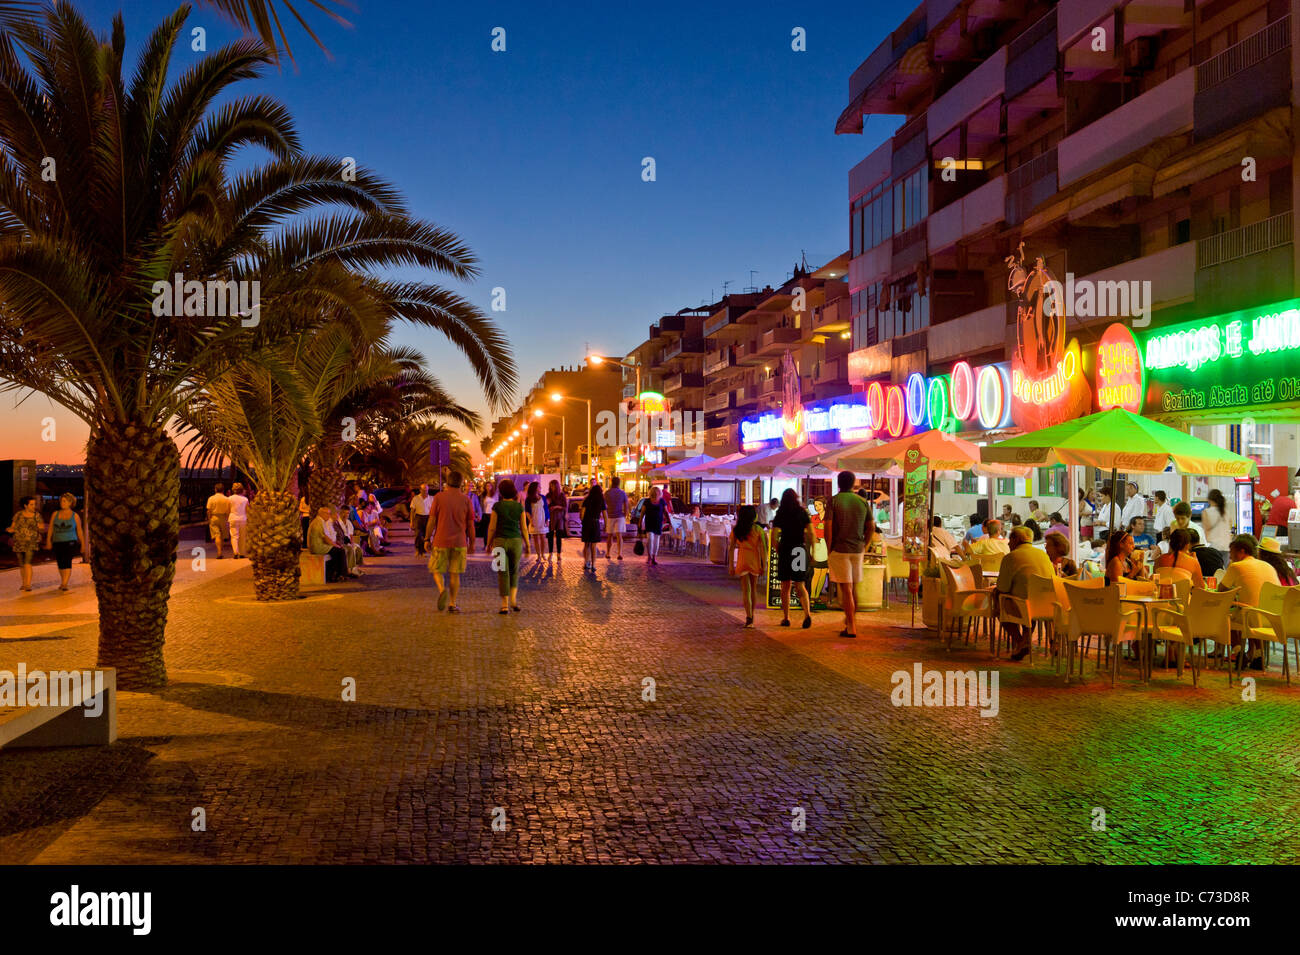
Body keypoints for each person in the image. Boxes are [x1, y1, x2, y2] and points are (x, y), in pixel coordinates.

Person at [996, 526, 1056, 661]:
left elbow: (1002, 588)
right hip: (1047, 606)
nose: (1008, 543)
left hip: (1024, 606)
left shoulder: (1011, 557)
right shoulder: (1043, 555)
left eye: (1010, 540)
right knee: (1026, 599)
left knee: (999, 602)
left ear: (1015, 539)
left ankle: (1021, 641)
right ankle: (1025, 639)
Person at [825, 470, 871, 639]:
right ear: (853, 484)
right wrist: (865, 544)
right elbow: (871, 526)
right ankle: (851, 620)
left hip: (840, 549)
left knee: (846, 589)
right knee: (853, 587)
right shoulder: (862, 501)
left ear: (839, 483)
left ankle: (851, 626)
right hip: (858, 549)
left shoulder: (834, 501)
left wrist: (829, 548)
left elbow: (828, 528)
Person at [429, 471, 477, 612]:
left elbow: (431, 520)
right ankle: (452, 603)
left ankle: (442, 589)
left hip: (440, 541)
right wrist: (473, 543)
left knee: (436, 570)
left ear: (448, 482)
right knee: (455, 574)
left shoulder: (439, 497)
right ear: (461, 483)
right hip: (459, 542)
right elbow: (470, 525)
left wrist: (427, 538)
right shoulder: (466, 500)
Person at [771, 488, 814, 630]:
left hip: (785, 549)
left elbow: (774, 536)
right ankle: (807, 614)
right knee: (800, 584)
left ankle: (786, 617)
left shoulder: (780, 513)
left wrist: (779, 549)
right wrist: (811, 550)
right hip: (799, 550)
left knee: (785, 586)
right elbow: (811, 533)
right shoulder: (802, 512)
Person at [486, 479, 529, 613]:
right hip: (515, 541)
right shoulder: (519, 507)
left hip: (499, 542)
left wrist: (488, 543)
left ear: (501, 491)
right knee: (514, 571)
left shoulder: (497, 507)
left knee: (502, 573)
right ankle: (514, 601)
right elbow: (524, 528)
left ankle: (504, 605)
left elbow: (492, 528)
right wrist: (527, 544)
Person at [726, 504, 768, 629]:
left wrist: (731, 566)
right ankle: (752, 616)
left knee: (746, 590)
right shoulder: (758, 530)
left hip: (742, 559)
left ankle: (748, 616)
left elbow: (731, 547)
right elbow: (763, 549)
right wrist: (763, 564)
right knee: (753, 589)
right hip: (754, 559)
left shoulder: (737, 530)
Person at [42, 493, 86, 592]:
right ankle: (63, 580)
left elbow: (79, 530)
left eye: (64, 501)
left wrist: (83, 544)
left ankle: (64, 583)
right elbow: (51, 529)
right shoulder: (55, 514)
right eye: (61, 501)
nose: (62, 503)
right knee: (60, 562)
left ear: (70, 503)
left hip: (70, 542)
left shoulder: (75, 516)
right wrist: (48, 541)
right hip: (57, 542)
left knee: (67, 561)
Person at [6, 495, 44, 592]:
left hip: (31, 542)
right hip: (19, 542)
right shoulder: (18, 515)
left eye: (34, 504)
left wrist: (39, 529)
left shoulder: (37, 516)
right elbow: (13, 527)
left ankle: (28, 584)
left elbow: (42, 528)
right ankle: (24, 583)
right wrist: (10, 530)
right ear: (25, 505)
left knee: (28, 562)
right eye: (31, 504)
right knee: (21, 564)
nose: (33, 506)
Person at [307, 506, 350, 582]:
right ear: (322, 514)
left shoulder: (320, 521)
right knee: (340, 551)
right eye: (328, 514)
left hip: (320, 546)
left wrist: (334, 545)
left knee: (337, 552)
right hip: (318, 547)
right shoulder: (318, 522)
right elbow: (325, 537)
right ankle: (342, 574)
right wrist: (335, 545)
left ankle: (336, 574)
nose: (329, 516)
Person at [580, 483, 606, 571]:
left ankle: (586, 562)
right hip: (595, 522)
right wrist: (606, 525)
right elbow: (605, 514)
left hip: (587, 523)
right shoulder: (601, 500)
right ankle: (594, 565)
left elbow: (582, 513)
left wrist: (583, 520)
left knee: (586, 544)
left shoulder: (587, 499)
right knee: (594, 545)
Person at [639, 486, 666, 566]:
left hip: (658, 523)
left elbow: (666, 511)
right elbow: (642, 512)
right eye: (654, 492)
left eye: (657, 492)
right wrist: (640, 521)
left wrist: (669, 520)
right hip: (649, 522)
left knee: (656, 540)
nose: (655, 494)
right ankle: (649, 556)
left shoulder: (662, 501)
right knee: (650, 538)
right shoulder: (647, 501)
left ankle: (654, 556)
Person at [810, 498, 831, 600]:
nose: (817, 507)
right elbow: (809, 532)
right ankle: (812, 596)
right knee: (817, 572)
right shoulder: (813, 518)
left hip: (826, 546)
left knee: (823, 572)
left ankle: (816, 596)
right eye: (815, 505)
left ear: (825, 505)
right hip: (817, 546)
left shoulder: (829, 519)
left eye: (819, 505)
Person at [1201, 488, 1231, 556]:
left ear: (1209, 499)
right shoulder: (1226, 512)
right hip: (1226, 546)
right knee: (1224, 566)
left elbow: (1206, 529)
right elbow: (1229, 527)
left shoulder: (1206, 512)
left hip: (1214, 546)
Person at [605, 476, 628, 561]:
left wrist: (605, 513)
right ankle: (620, 553)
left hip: (610, 516)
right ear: (619, 483)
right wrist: (625, 514)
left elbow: (604, 504)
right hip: (620, 516)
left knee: (609, 536)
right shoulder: (622, 493)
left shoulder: (607, 493)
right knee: (619, 535)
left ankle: (608, 553)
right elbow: (626, 505)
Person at [206, 482, 231, 559]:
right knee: (222, 535)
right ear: (223, 490)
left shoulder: (211, 498)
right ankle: (221, 551)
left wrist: (209, 519)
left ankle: (219, 551)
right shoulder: (227, 499)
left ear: (215, 489)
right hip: (223, 517)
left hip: (214, 517)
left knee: (217, 535)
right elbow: (228, 511)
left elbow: (208, 510)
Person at [524, 482, 547, 564]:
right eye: (539, 486)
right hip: (534, 520)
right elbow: (527, 511)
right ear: (535, 488)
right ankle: (538, 556)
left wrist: (547, 520)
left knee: (543, 538)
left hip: (542, 519)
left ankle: (543, 553)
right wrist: (530, 520)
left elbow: (546, 509)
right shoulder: (528, 498)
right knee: (536, 539)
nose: (540, 488)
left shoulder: (543, 497)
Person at [544, 480, 566, 559]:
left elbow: (564, 507)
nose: (552, 487)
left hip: (559, 517)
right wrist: (549, 505)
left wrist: (556, 507)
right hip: (551, 517)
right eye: (551, 486)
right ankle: (550, 553)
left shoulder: (561, 495)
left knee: (558, 536)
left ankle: (559, 554)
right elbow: (545, 507)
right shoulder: (548, 495)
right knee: (550, 535)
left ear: (556, 486)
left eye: (553, 486)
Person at [411, 483, 433, 557]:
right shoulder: (415, 498)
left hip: (428, 518)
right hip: (418, 517)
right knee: (418, 535)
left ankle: (424, 551)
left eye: (426, 490)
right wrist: (411, 522)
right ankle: (418, 550)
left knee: (426, 535)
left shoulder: (431, 499)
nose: (425, 492)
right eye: (423, 490)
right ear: (420, 490)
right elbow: (412, 511)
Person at [227, 483, 250, 558]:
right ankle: (242, 553)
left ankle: (235, 552)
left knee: (234, 536)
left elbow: (228, 509)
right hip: (243, 519)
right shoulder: (245, 499)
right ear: (242, 490)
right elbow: (247, 510)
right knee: (243, 537)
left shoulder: (229, 498)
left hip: (233, 518)